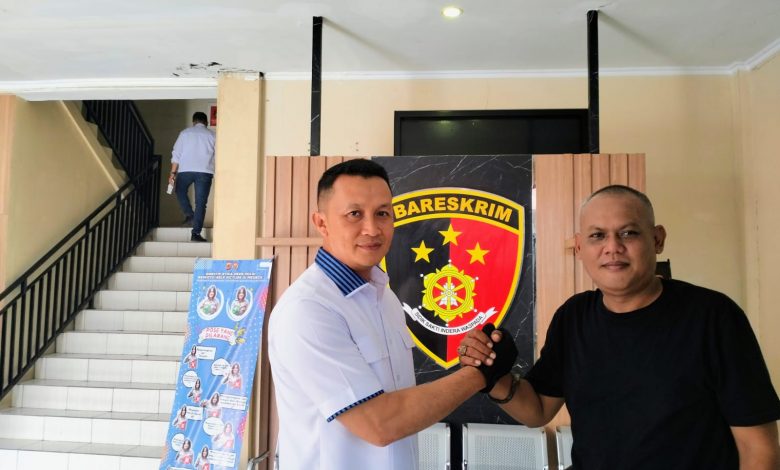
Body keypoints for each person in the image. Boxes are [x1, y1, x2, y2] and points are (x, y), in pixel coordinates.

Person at [459, 184, 780, 469]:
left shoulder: (713, 317)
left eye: (628, 233)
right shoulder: (573, 318)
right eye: (597, 235)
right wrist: (493, 374)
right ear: (580, 248)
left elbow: (759, 449)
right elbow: (538, 410)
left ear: (657, 239)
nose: (612, 247)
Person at [268, 159, 517, 470]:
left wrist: (477, 357)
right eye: (354, 214)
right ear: (322, 223)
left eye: (382, 213)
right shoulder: (308, 310)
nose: (372, 229)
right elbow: (379, 423)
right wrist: (480, 374)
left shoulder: (384, 297)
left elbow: (400, 404)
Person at [169, 111, 215, 242]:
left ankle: (189, 215)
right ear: (206, 122)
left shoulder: (185, 133)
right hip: (205, 172)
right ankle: (195, 234)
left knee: (180, 191)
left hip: (185, 170)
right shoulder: (213, 135)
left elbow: (176, 154)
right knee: (201, 203)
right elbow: (218, 156)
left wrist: (172, 174)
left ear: (194, 122)